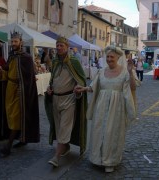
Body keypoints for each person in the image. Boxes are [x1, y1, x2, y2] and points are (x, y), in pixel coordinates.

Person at [74, 45, 136, 173]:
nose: (109, 59)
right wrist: (83, 88)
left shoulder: (125, 72)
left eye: (112, 57)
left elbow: (132, 88)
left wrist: (130, 72)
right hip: (101, 107)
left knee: (112, 133)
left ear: (118, 58)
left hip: (117, 108)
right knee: (98, 130)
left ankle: (110, 161)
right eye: (107, 56)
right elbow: (94, 87)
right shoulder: (102, 71)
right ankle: (97, 158)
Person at [0, 30, 40, 156]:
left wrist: (23, 88)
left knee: (16, 117)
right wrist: (1, 70)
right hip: (10, 88)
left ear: (21, 42)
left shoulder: (26, 57)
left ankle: (8, 146)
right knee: (11, 115)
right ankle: (22, 138)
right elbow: (8, 71)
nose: (13, 43)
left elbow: (29, 76)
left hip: (20, 92)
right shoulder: (11, 56)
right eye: (12, 41)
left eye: (16, 41)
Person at [44, 36, 87, 167]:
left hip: (69, 99)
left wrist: (78, 89)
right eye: (57, 45)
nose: (58, 47)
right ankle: (66, 147)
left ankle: (56, 157)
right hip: (56, 99)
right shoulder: (56, 61)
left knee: (64, 128)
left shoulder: (74, 61)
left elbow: (81, 80)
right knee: (58, 127)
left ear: (67, 47)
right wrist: (49, 88)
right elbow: (53, 79)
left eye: (61, 45)